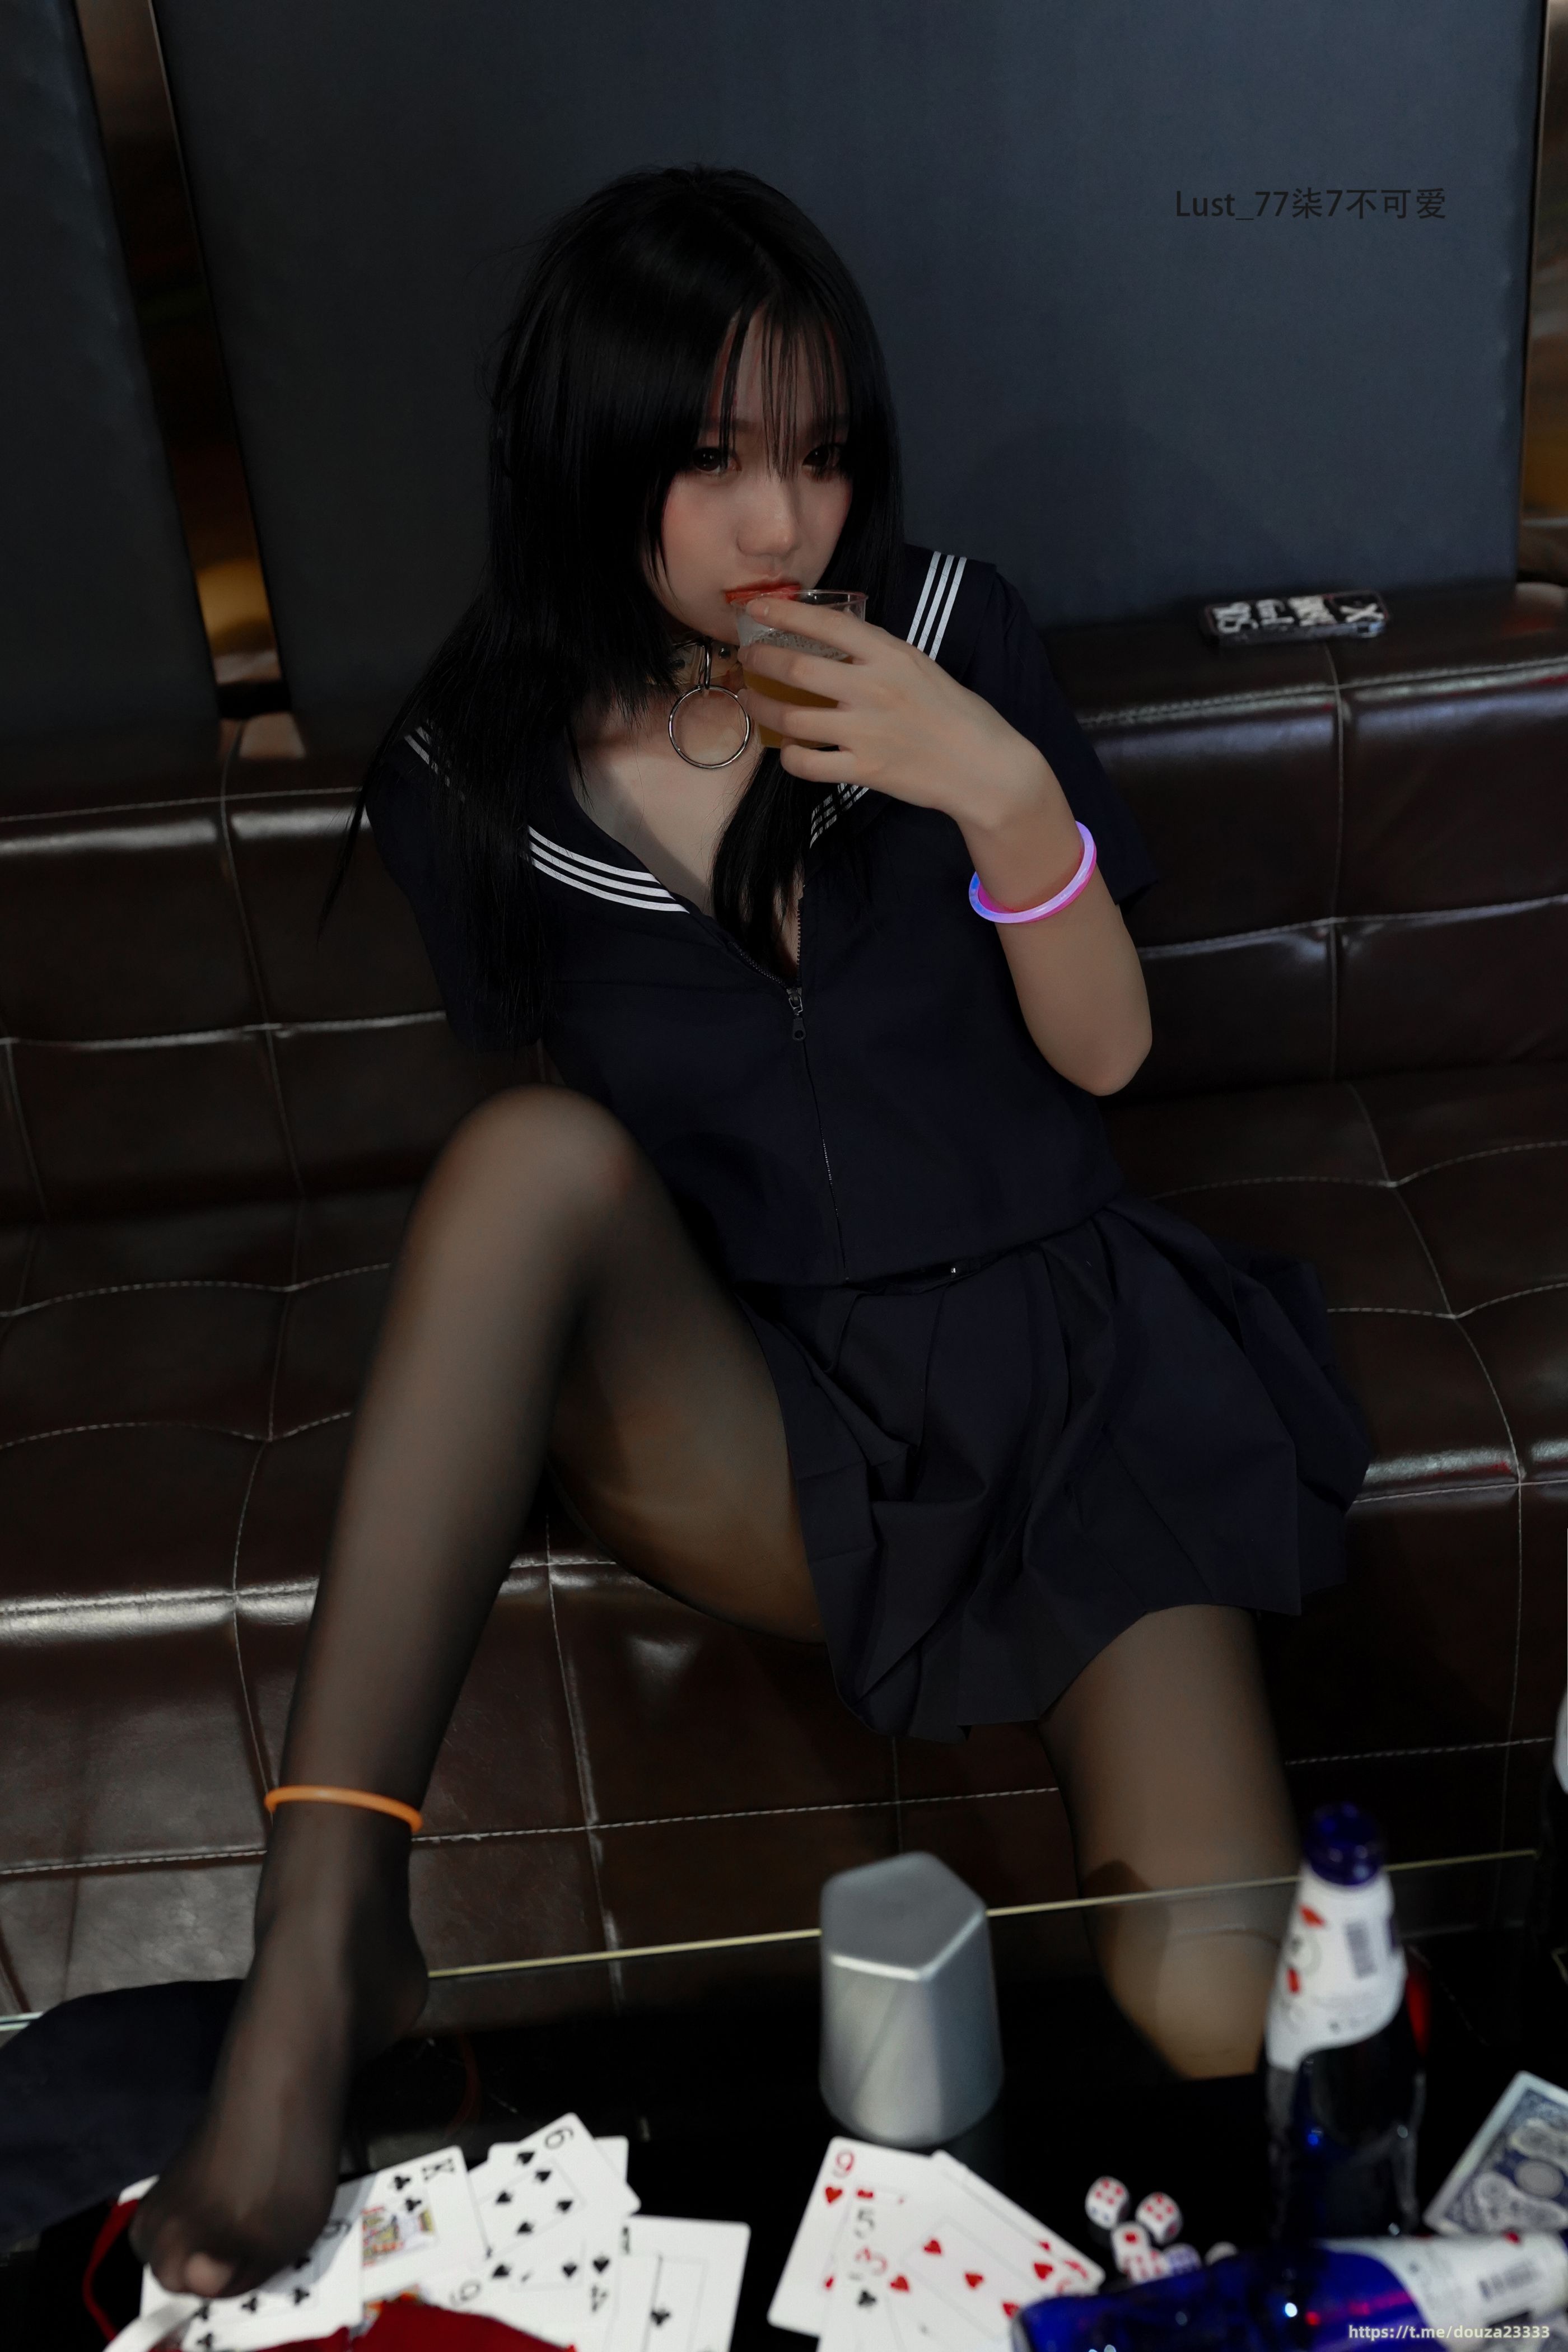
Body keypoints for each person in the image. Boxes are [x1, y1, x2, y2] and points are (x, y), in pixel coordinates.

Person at [134, 165, 1369, 2297]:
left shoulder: (954, 629)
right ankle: (323, 1947)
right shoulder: (473, 772)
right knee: (528, 1157)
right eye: (711, 459)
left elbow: (1102, 1058)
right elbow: (604, 1187)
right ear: (591, 455)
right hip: (768, 1420)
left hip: (1072, 1384)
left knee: (1208, 2023)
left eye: (818, 452)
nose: (781, 518)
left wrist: (998, 791)